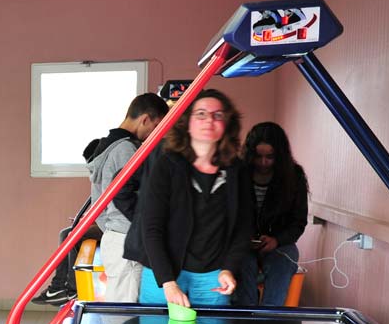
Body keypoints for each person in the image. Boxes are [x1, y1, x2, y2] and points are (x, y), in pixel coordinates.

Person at [126, 89, 254, 307]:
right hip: (164, 273)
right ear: (187, 121)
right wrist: (168, 282)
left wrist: (229, 268)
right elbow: (152, 227)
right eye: (201, 114)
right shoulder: (166, 164)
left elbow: (244, 226)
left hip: (213, 275)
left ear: (227, 123)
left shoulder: (237, 170)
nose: (209, 121)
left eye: (218, 115)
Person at [87, 93, 169, 302]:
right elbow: (123, 196)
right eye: (156, 125)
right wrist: (147, 225)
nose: (156, 133)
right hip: (125, 235)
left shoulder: (106, 144)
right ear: (145, 119)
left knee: (121, 302)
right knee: (126, 309)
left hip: (116, 234)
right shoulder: (126, 149)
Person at [232, 122, 309, 306]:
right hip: (243, 243)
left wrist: (277, 240)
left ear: (279, 156)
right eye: (258, 157)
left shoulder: (294, 176)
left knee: (283, 263)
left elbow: (298, 222)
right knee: (242, 264)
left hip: (279, 244)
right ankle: (247, 320)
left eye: (270, 157)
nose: (263, 163)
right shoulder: (238, 173)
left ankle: (269, 319)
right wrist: (244, 238)